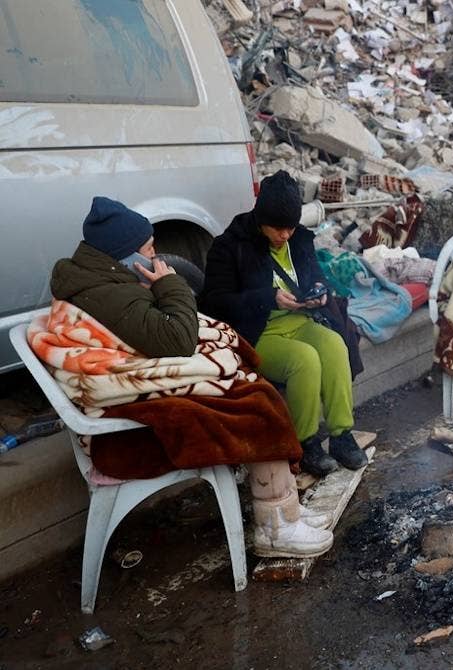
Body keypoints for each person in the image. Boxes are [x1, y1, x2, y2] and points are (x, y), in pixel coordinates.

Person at [47, 196, 334, 558]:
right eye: (149, 249)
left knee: (251, 384)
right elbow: (178, 340)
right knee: (254, 404)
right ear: (126, 256)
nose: (156, 257)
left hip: (134, 382)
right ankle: (275, 529)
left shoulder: (100, 279)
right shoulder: (110, 294)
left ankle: (284, 505)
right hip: (121, 421)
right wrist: (171, 284)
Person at [201, 170, 367, 477]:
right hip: (257, 332)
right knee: (305, 360)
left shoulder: (299, 239)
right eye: (277, 229)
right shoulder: (231, 246)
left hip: (299, 321)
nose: (285, 235)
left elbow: (316, 275)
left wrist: (318, 291)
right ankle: (306, 443)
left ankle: (342, 435)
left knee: (335, 345)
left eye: (290, 227)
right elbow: (215, 302)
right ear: (260, 219)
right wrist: (268, 297)